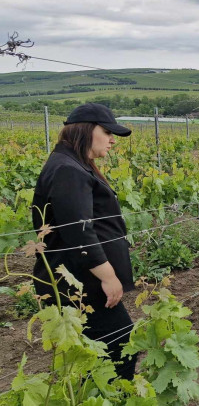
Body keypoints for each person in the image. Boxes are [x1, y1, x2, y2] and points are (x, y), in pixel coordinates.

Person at [32, 103, 137, 379]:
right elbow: (79, 231)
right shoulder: (69, 169)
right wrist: (107, 275)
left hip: (80, 276)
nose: (113, 140)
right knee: (120, 344)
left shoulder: (74, 164)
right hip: (80, 279)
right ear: (87, 130)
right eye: (108, 132)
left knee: (97, 352)